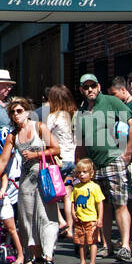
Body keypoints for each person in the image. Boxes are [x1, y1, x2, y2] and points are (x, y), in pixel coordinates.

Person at [0, 96, 61, 264]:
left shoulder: (39, 127)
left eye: (19, 111)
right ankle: (35, 257)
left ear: (27, 112)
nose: (16, 115)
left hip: (44, 178)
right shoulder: (12, 136)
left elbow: (56, 149)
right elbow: (2, 161)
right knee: (27, 219)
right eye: (13, 112)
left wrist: (36, 154)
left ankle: (49, 257)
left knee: (46, 217)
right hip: (26, 180)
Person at [75, 74, 132, 263]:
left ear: (98, 86)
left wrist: (127, 152)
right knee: (101, 206)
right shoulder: (82, 112)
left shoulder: (111, 102)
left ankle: (125, 246)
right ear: (81, 90)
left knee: (120, 202)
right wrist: (81, 166)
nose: (90, 90)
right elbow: (81, 142)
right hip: (94, 165)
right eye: (86, 87)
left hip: (113, 159)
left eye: (92, 86)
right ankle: (106, 245)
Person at [44, 84, 77, 234]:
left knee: (51, 191)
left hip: (58, 160)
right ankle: (71, 228)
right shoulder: (75, 115)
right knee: (68, 194)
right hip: (73, 159)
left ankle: (61, 220)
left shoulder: (53, 116)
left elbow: (44, 136)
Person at [70, 157, 105, 264]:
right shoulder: (76, 187)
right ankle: (83, 262)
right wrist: (73, 213)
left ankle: (93, 263)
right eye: (79, 172)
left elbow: (100, 203)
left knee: (92, 242)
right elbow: (73, 201)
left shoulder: (95, 187)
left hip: (91, 219)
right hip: (79, 220)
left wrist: (99, 218)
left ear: (91, 173)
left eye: (85, 172)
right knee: (81, 242)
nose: (82, 175)